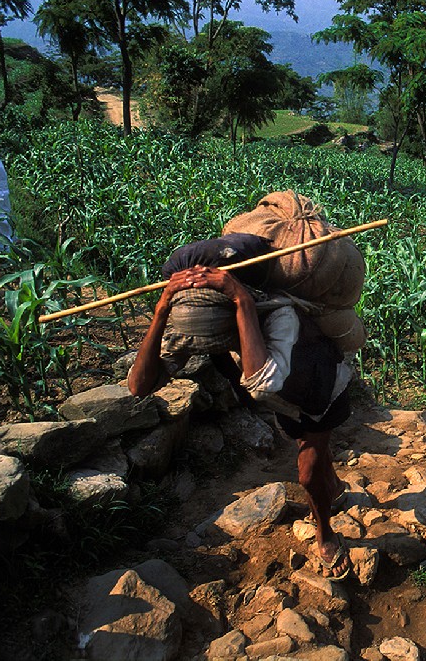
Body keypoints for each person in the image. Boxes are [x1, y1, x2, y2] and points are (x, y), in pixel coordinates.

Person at [128, 236, 354, 581]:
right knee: (312, 454)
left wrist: (240, 298)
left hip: (321, 389)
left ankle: (324, 531)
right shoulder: (202, 325)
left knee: (308, 471)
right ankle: (334, 488)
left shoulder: (279, 314)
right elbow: (139, 386)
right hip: (286, 401)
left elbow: (263, 382)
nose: (202, 344)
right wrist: (161, 311)